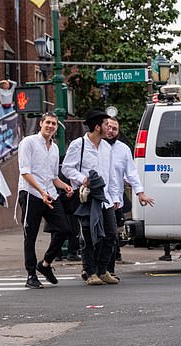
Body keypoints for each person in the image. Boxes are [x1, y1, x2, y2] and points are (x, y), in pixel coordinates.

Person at [62, 108, 119, 286]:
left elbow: (111, 174)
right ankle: (90, 271)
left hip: (105, 198)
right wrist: (82, 179)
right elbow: (67, 168)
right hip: (86, 198)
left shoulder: (107, 148)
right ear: (97, 127)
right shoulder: (78, 145)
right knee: (88, 236)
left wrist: (115, 195)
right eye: (105, 125)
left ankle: (103, 270)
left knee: (110, 235)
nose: (108, 128)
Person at [17, 112, 73, 288]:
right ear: (41, 124)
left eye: (54, 124)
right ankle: (31, 275)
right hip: (31, 193)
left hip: (49, 192)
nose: (50, 126)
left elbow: (53, 177)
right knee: (30, 235)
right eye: (47, 122)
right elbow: (25, 172)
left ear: (56, 128)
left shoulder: (55, 148)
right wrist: (41, 192)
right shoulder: (29, 142)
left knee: (64, 229)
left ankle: (46, 263)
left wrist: (65, 186)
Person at [103, 116, 154, 278]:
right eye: (109, 127)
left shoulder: (123, 149)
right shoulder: (93, 146)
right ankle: (90, 269)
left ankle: (109, 270)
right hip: (96, 198)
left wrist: (140, 193)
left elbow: (131, 173)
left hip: (115, 199)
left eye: (114, 129)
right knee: (95, 236)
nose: (111, 131)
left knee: (112, 235)